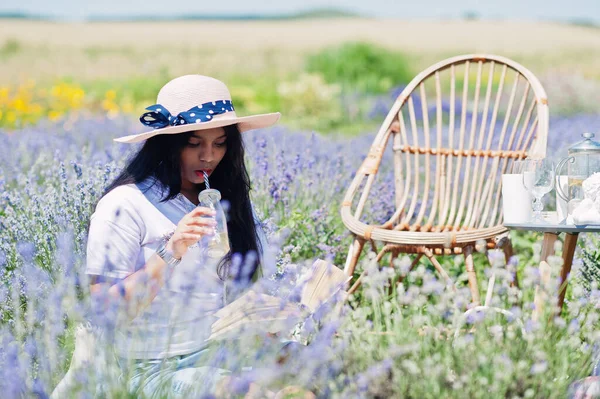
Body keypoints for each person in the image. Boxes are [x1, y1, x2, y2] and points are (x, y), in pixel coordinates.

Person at [84, 74, 281, 397]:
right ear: (167, 144)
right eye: (194, 144)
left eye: (219, 143)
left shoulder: (223, 199)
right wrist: (170, 252)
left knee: (309, 375)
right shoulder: (124, 204)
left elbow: (227, 292)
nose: (208, 157)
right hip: (152, 366)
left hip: (217, 348)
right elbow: (105, 311)